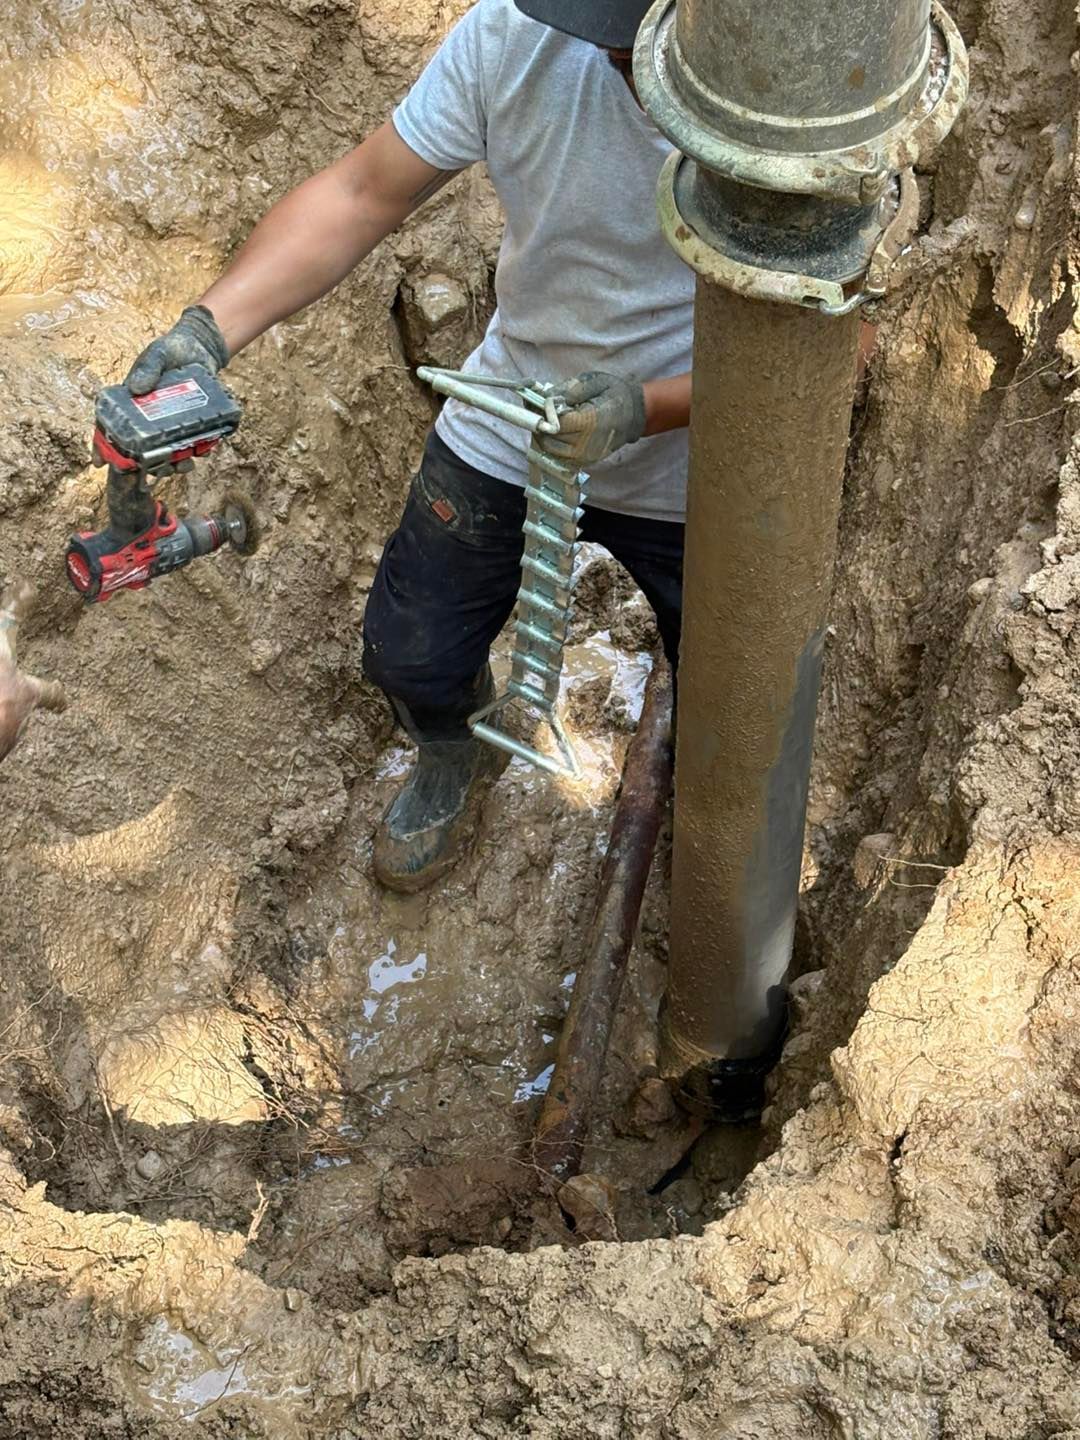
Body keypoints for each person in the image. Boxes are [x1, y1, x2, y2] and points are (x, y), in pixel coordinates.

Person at [124, 0, 696, 893]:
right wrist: (209, 328)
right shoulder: (518, 36)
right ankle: (454, 754)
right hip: (520, 403)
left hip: (707, 455)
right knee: (409, 653)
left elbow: (835, 350)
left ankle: (719, 825)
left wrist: (648, 408)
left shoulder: (797, 102)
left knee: (734, 700)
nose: (612, 55)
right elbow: (362, 193)